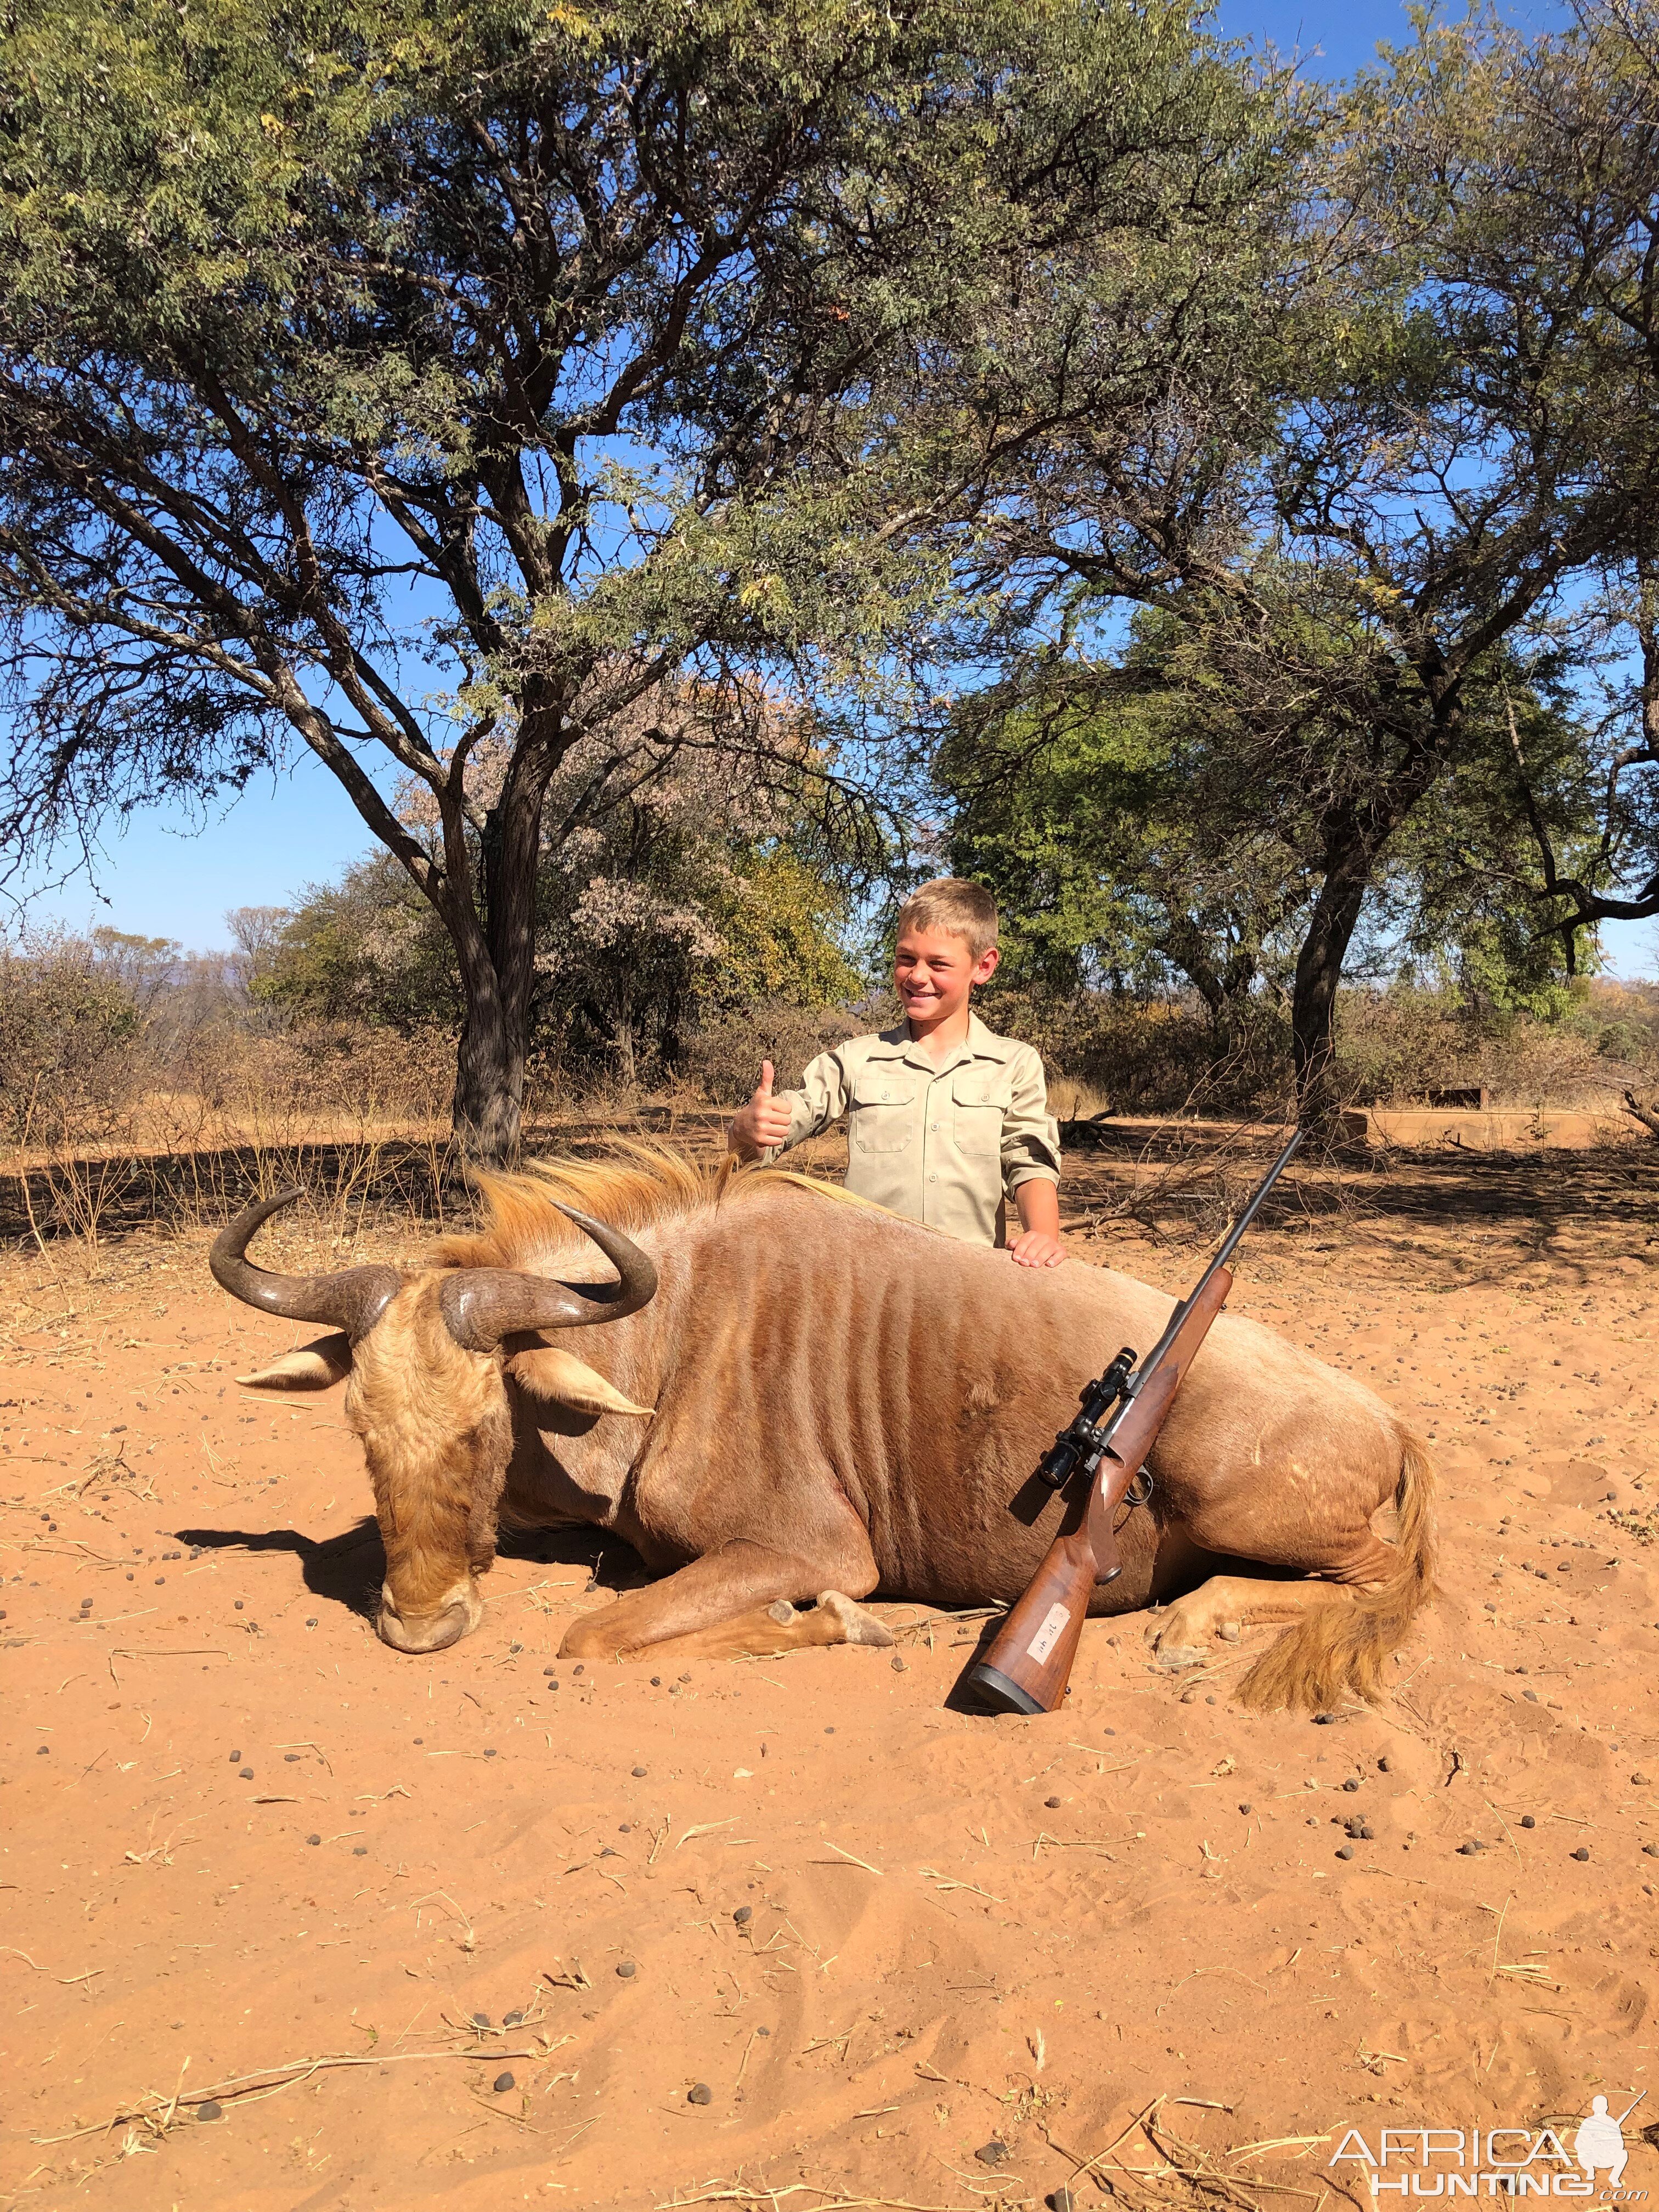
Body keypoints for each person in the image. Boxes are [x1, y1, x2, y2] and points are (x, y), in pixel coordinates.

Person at [726, 877, 1065, 1266]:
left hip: (971, 1286)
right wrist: (745, 1130)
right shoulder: (855, 1059)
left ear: (983, 966)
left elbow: (1029, 1160)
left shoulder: (1015, 1063)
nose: (918, 976)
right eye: (906, 959)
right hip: (868, 1284)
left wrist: (1043, 1236)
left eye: (938, 963)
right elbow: (768, 1139)